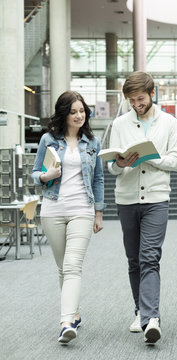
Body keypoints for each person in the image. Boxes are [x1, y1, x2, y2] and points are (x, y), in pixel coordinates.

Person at [108, 71, 177, 344]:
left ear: (153, 94)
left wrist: (152, 158)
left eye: (140, 99)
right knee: (133, 260)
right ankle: (140, 310)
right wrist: (120, 164)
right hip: (126, 199)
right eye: (131, 100)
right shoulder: (119, 124)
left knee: (149, 257)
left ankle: (152, 318)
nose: (136, 105)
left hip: (156, 200)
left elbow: (176, 161)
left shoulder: (169, 123)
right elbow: (111, 165)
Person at [32, 91, 105, 344]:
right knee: (63, 266)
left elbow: (98, 178)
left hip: (82, 209)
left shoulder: (92, 142)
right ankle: (74, 311)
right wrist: (46, 175)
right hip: (53, 208)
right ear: (63, 114)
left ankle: (65, 323)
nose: (79, 116)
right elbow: (35, 174)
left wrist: (99, 212)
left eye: (82, 111)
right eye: (73, 111)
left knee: (73, 265)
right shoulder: (48, 140)